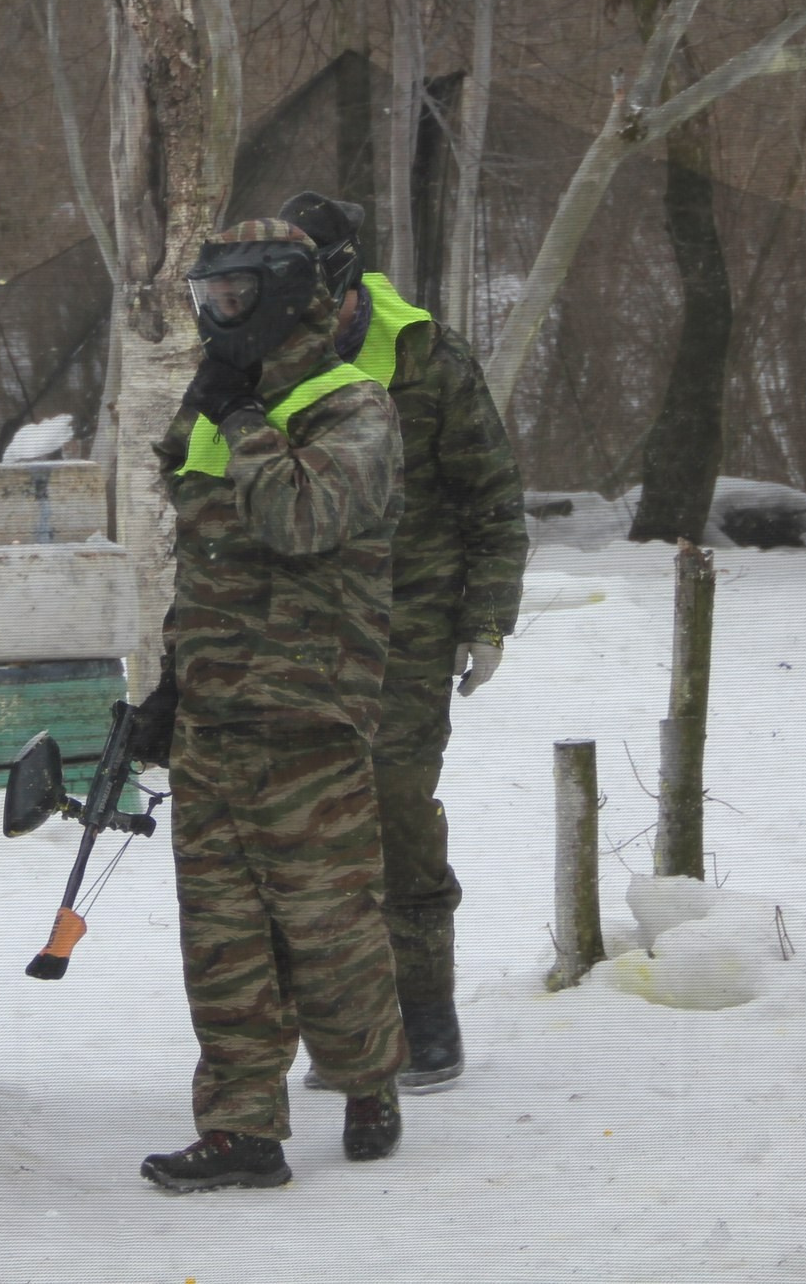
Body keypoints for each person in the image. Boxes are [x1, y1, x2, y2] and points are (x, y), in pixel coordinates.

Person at [130, 218, 411, 1193]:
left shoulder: (353, 406)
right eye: (208, 299)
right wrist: (169, 686)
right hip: (216, 715)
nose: (218, 317)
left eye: (236, 297)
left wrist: (244, 416)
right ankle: (243, 1126)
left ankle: (368, 1075)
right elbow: (197, 565)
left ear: (286, 296)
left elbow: (301, 518)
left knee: (327, 931)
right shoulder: (212, 409)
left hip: (306, 717)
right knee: (220, 936)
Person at [278, 191, 527, 1093]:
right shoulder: (264, 349)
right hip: (299, 629)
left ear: (346, 281)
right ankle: (347, 1019)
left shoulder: (424, 355)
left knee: (395, 811)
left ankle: (425, 1015)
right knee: (309, 826)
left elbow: (494, 498)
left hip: (408, 625)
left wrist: (488, 616)